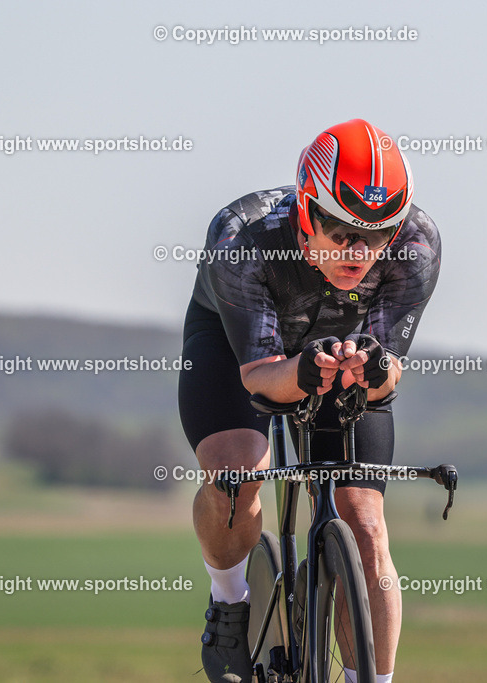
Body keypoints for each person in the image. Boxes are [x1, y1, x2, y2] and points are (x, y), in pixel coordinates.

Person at [177, 119, 441, 682]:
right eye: (342, 231)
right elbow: (258, 379)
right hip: (241, 350)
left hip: (343, 357)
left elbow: (389, 377)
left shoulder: (416, 246)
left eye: (376, 235)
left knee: (367, 527)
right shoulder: (241, 237)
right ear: (306, 212)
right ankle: (229, 600)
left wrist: (374, 371)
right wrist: (299, 370)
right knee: (237, 476)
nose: (359, 250)